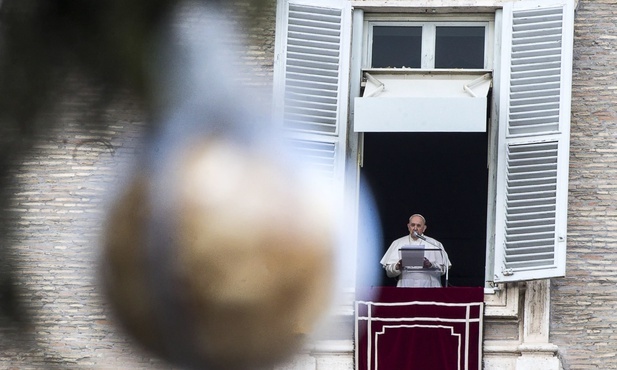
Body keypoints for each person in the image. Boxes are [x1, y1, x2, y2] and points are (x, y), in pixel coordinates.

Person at [380, 214, 451, 287]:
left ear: (424, 228)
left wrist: (430, 265)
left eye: (418, 225)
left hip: (430, 287)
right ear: (408, 226)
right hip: (406, 286)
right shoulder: (397, 243)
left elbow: (443, 270)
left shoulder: (435, 244)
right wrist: (398, 266)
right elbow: (389, 273)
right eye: (412, 225)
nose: (415, 228)